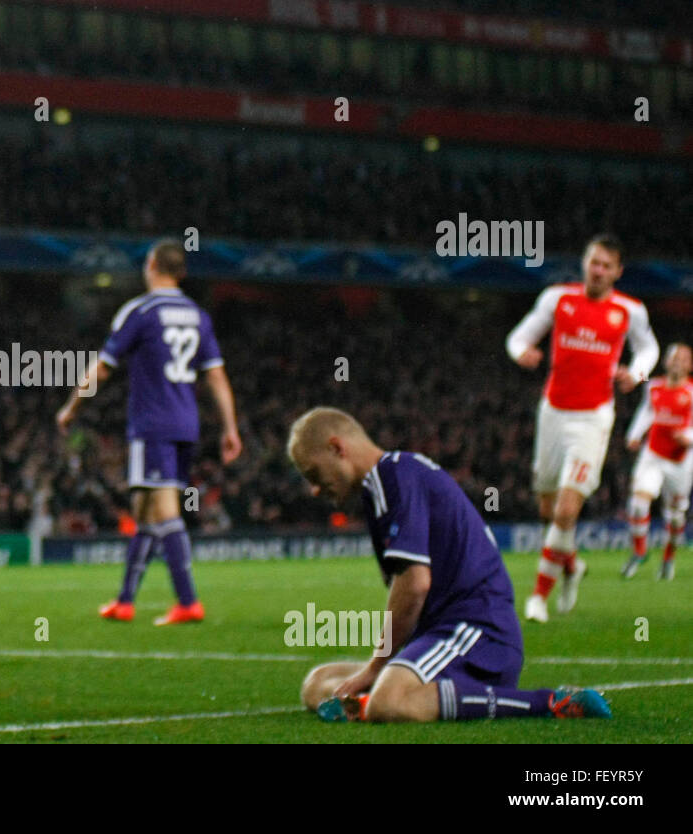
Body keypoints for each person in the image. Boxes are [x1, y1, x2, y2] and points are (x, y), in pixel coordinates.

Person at [288, 407, 611, 723]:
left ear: (336, 448)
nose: (315, 489)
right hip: (439, 636)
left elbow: (415, 584)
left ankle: (551, 702)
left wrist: (376, 667)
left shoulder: (394, 476)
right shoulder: (387, 482)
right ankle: (372, 702)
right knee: (318, 682)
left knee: (390, 702)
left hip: (477, 632)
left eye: (314, 475)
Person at [56, 240, 241, 625]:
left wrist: (73, 406)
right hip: (186, 424)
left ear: (152, 265)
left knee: (164, 510)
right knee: (144, 511)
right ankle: (125, 600)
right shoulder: (197, 315)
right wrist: (229, 427)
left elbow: (103, 367)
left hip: (152, 423)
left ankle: (188, 601)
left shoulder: (140, 311)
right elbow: (217, 376)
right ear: (182, 272)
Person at [505, 234, 657, 622]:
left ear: (618, 271)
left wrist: (636, 373)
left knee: (567, 510)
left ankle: (539, 596)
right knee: (546, 510)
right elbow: (520, 334)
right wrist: (521, 350)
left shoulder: (629, 311)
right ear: (584, 263)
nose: (599, 270)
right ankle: (570, 566)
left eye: (607, 265)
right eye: (594, 262)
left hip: (593, 417)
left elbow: (648, 349)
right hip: (553, 412)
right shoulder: (558, 299)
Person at [622, 342, 693, 581]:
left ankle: (668, 558)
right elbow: (647, 412)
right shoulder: (653, 386)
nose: (677, 362)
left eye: (682, 359)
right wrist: (634, 434)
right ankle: (640, 551)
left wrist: (688, 437)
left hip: (681, 461)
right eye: (673, 358)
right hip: (652, 454)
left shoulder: (692, 391)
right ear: (666, 362)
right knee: (638, 504)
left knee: (675, 517)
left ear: (689, 365)